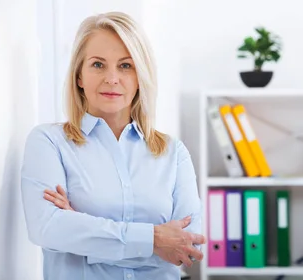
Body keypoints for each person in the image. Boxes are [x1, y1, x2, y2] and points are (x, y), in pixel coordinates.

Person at [20, 11, 206, 280]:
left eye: (125, 66)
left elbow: (189, 246)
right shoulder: (49, 143)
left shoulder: (172, 152)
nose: (111, 78)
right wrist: (154, 239)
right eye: (97, 64)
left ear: (141, 76)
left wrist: (82, 230)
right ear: (79, 76)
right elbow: (48, 229)